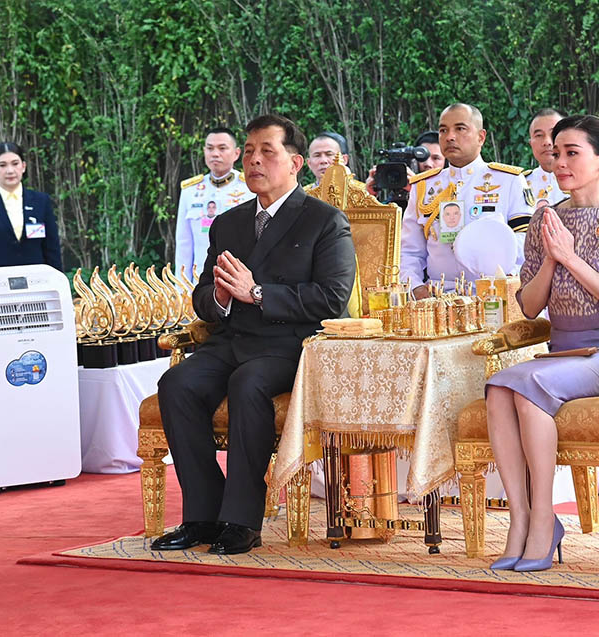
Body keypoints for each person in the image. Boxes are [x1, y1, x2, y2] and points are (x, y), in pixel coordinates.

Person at [151, 114, 356, 555]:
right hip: (232, 340)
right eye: (248, 152)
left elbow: (332, 298)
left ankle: (241, 520)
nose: (254, 161)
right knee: (177, 383)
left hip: (291, 344)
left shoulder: (324, 221)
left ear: (295, 162)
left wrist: (258, 293)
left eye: (267, 151)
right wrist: (222, 297)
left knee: (249, 383)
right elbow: (202, 298)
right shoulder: (229, 223)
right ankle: (202, 515)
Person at [484, 115, 599, 572]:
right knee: (499, 387)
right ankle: (520, 519)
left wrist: (571, 258)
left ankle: (544, 518)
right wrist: (551, 260)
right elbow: (529, 306)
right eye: (556, 153)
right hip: (565, 353)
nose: (559, 161)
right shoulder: (546, 217)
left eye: (572, 152)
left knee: (526, 387)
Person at [399, 103, 534, 297]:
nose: (450, 137)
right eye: (443, 130)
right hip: (436, 298)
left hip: (492, 294)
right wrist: (415, 288)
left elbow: (526, 243)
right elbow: (409, 251)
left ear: (481, 137)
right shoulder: (424, 186)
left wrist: (505, 283)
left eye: (460, 129)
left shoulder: (509, 180)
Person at [174, 128, 254, 280]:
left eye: (222, 148)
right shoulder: (190, 191)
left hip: (238, 279)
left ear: (236, 153)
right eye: (210, 148)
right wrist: (182, 286)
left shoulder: (250, 188)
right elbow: (184, 244)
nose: (215, 154)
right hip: (200, 278)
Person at [0, 142, 62, 270]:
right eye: (2, 165)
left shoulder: (41, 201)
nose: (10, 170)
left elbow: (52, 249)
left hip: (37, 279)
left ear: (23, 166)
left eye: (15, 163)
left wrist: (57, 278)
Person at [523, 108, 566, 207]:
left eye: (554, 134)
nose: (547, 142)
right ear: (530, 143)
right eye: (539, 135)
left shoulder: (585, 181)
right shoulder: (520, 184)